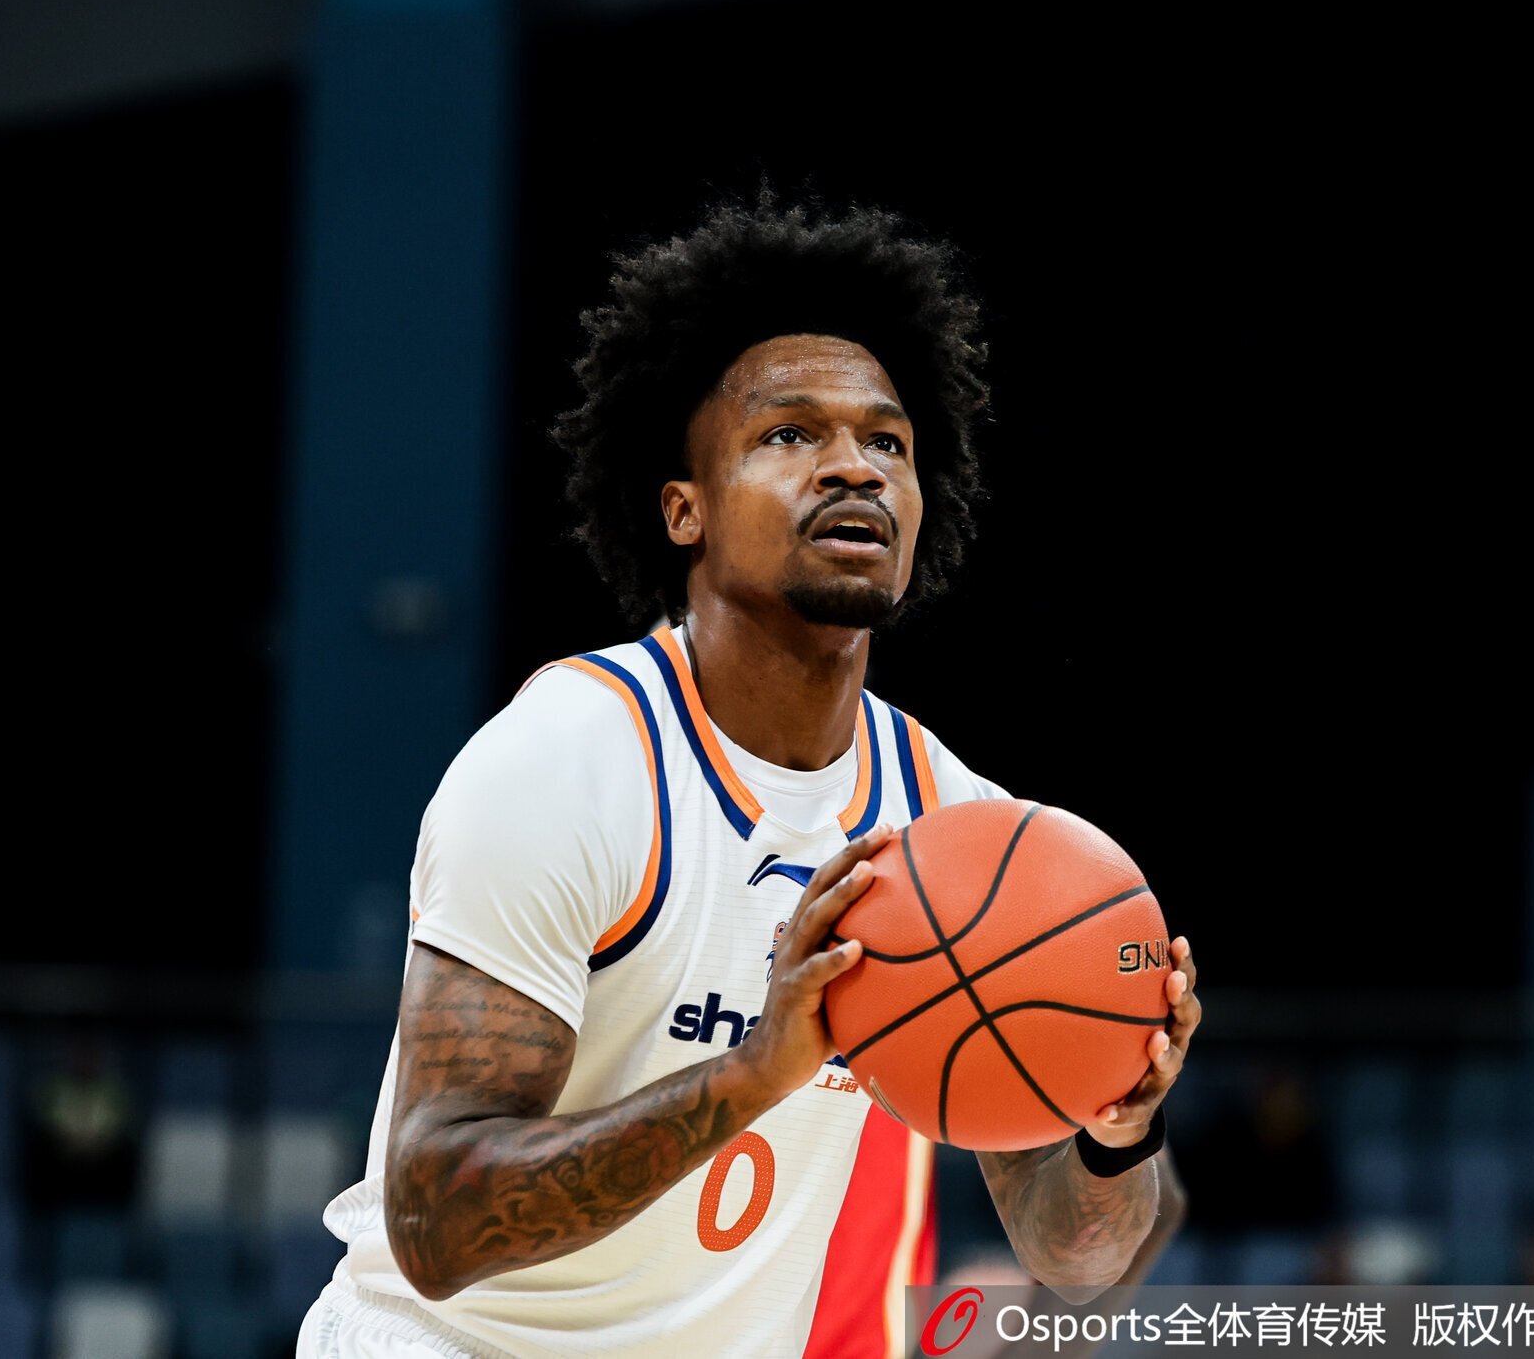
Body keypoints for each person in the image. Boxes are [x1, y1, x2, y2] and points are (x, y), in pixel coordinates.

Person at [298, 198, 1200, 1359]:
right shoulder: (567, 763)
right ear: (685, 509)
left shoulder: (956, 826)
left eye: (888, 445)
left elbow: (1070, 1255)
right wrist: (753, 1073)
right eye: (789, 435)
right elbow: (433, 1224)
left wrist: (1117, 1125)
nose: (853, 468)